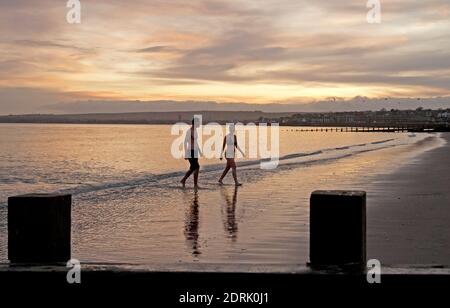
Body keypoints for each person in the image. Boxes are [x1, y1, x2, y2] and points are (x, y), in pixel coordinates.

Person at [181, 118, 202, 188]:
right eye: (198, 123)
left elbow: (196, 142)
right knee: (196, 167)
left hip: (195, 151)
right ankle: (185, 180)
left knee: (194, 167)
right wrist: (186, 153)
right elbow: (185, 142)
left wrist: (199, 150)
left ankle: (192, 183)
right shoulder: (189, 131)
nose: (199, 124)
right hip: (190, 151)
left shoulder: (195, 131)